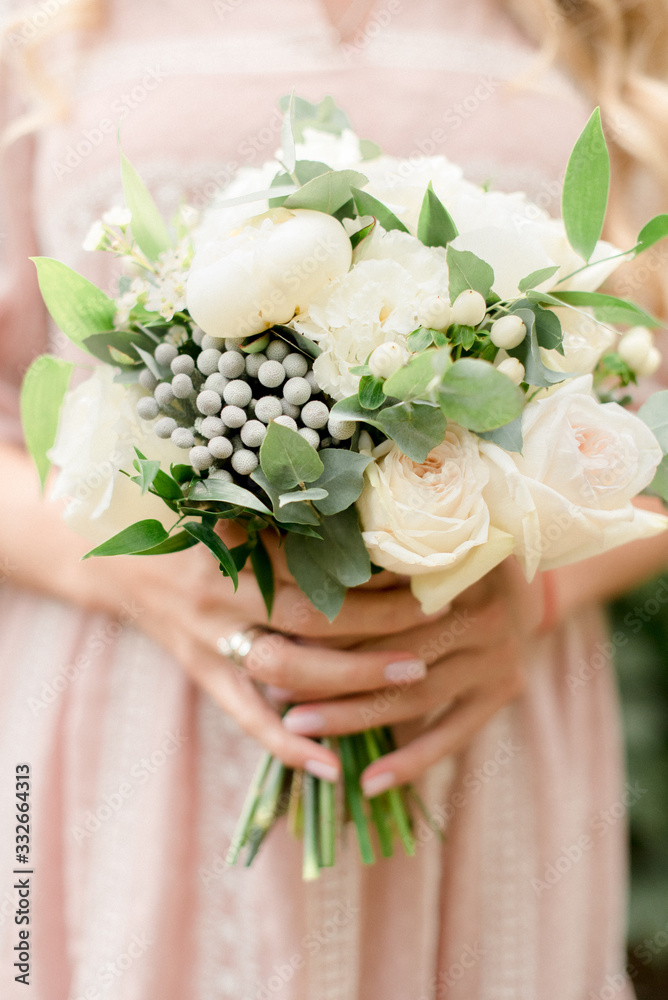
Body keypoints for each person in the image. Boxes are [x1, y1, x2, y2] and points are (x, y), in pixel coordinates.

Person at [1, 0, 667, 997]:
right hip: (131, 721)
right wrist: (143, 577)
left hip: (483, 724)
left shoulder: (604, 21)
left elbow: (649, 429)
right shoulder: (43, 26)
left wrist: (534, 592)